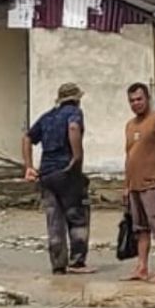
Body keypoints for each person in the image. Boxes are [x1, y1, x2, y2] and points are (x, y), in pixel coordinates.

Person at [23, 82, 93, 275]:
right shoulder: (74, 113)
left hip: (46, 174)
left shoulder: (47, 117)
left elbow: (27, 137)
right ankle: (77, 262)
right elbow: (73, 128)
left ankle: (58, 264)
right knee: (77, 216)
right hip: (67, 173)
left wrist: (29, 166)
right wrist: (77, 157)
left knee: (54, 220)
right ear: (77, 99)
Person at [123, 83, 155, 283]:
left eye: (139, 99)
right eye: (132, 100)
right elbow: (129, 155)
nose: (136, 103)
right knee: (140, 229)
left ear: (147, 98)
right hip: (135, 185)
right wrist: (126, 186)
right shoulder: (129, 125)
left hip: (153, 183)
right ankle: (142, 267)